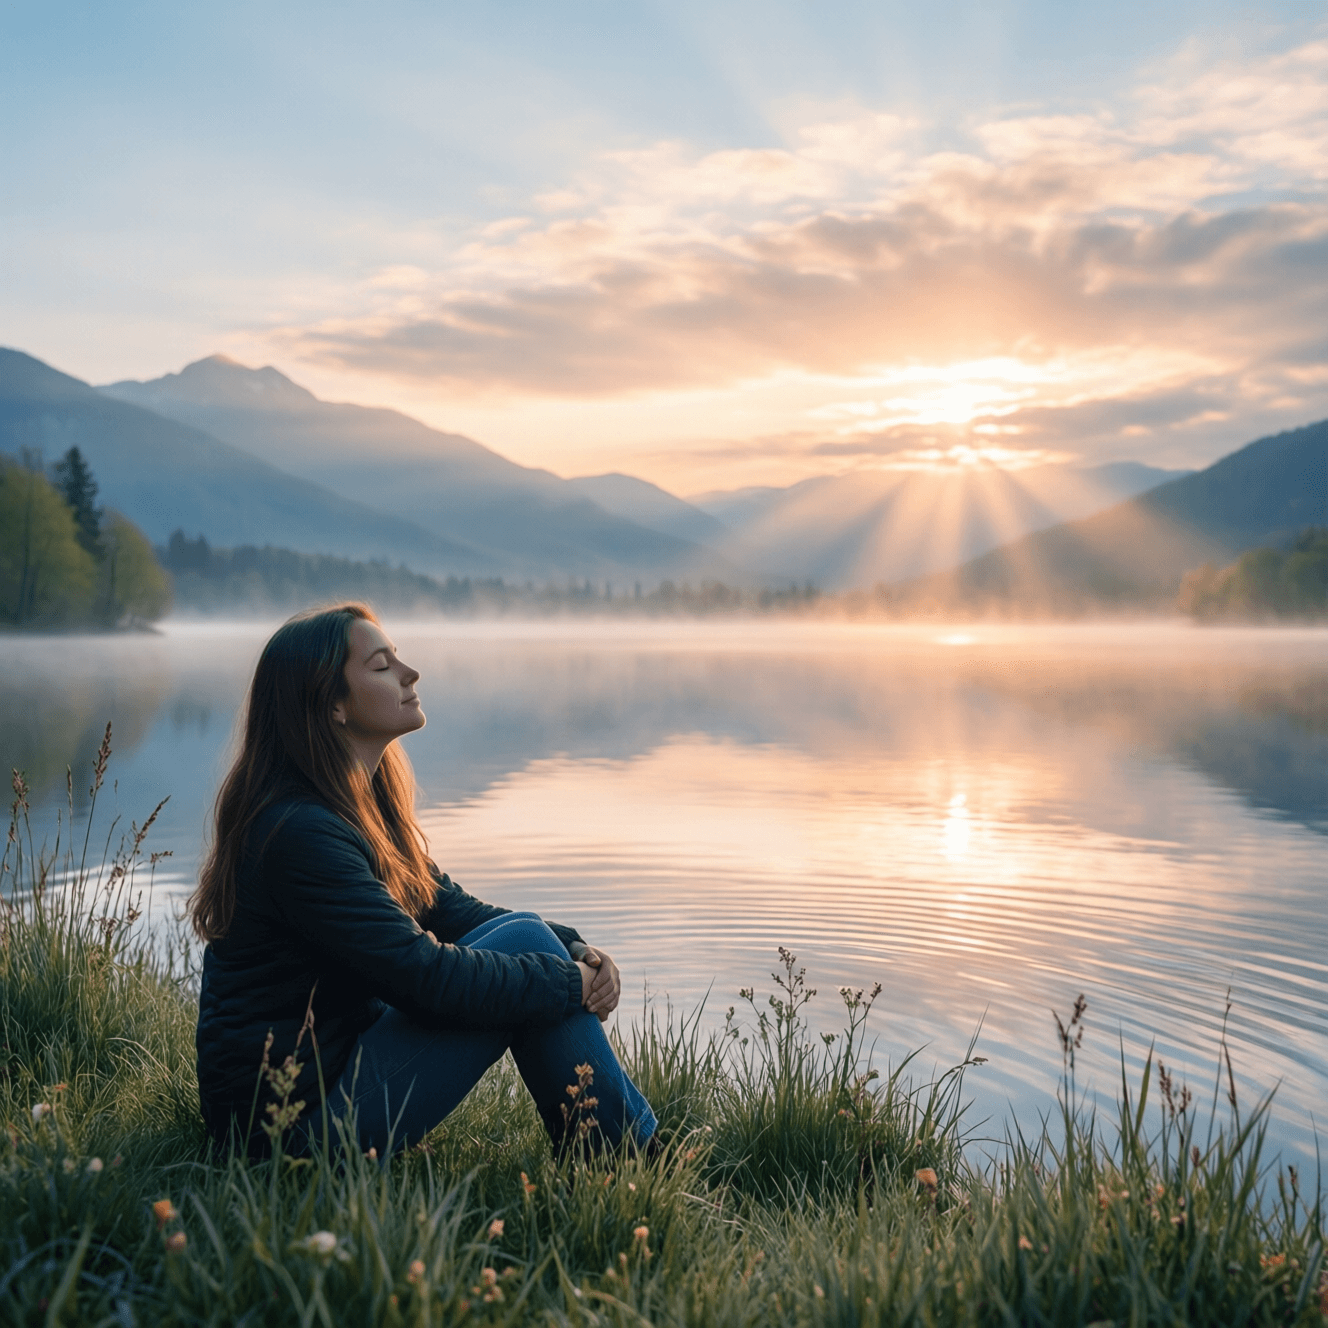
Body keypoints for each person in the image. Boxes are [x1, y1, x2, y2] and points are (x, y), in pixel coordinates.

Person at [189, 602, 656, 1158]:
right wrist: (568, 982)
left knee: (531, 935)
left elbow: (454, 912)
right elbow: (426, 978)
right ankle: (629, 1160)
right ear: (332, 704)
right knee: (528, 947)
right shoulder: (300, 833)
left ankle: (618, 1154)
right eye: (383, 666)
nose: (410, 674)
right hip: (285, 1131)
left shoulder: (355, 804)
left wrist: (575, 947)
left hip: (331, 1077)